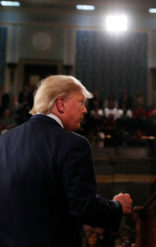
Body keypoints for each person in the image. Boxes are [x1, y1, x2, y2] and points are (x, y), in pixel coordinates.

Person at [0, 75, 133, 246]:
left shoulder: (3, 142)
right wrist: (118, 207)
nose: (85, 110)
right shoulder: (74, 144)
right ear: (61, 103)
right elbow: (83, 206)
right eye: (81, 102)